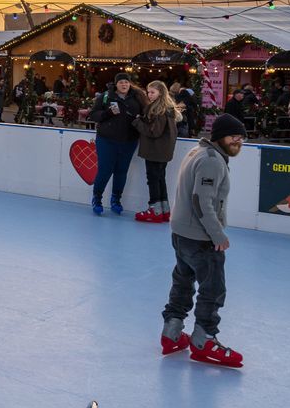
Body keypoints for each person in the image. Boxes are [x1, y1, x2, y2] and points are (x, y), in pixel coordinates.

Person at [160, 111, 246, 367]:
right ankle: (204, 341)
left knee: (183, 281)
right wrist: (217, 234)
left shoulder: (198, 151)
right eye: (233, 137)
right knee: (213, 288)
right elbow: (201, 201)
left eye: (241, 137)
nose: (238, 142)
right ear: (219, 137)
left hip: (181, 232)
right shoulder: (212, 160)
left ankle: (172, 333)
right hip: (199, 237)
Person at [87, 74, 144, 215]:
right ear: (116, 84)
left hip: (128, 141)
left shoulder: (137, 97)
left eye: (126, 82)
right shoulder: (106, 96)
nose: (124, 85)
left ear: (130, 84)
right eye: (121, 82)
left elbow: (146, 114)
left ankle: (116, 199)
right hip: (107, 140)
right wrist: (107, 113)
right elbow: (93, 115)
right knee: (105, 170)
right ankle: (97, 198)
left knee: (121, 171)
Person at [132, 81, 179, 223]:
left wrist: (138, 122)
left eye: (152, 92)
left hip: (155, 150)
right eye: (148, 92)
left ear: (161, 92)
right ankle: (164, 210)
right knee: (160, 179)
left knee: (153, 179)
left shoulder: (159, 110)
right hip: (163, 150)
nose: (149, 95)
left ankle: (154, 210)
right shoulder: (168, 108)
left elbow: (154, 132)